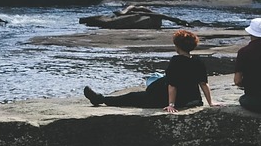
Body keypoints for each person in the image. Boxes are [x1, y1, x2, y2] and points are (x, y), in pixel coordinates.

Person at [84, 29, 216, 112]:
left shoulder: (176, 61)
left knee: (132, 97)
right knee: (145, 90)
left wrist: (171, 104)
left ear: (177, 46)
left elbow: (172, 85)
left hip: (173, 99)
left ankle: (100, 99)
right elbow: (203, 83)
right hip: (193, 99)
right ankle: (100, 99)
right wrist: (210, 103)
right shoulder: (198, 60)